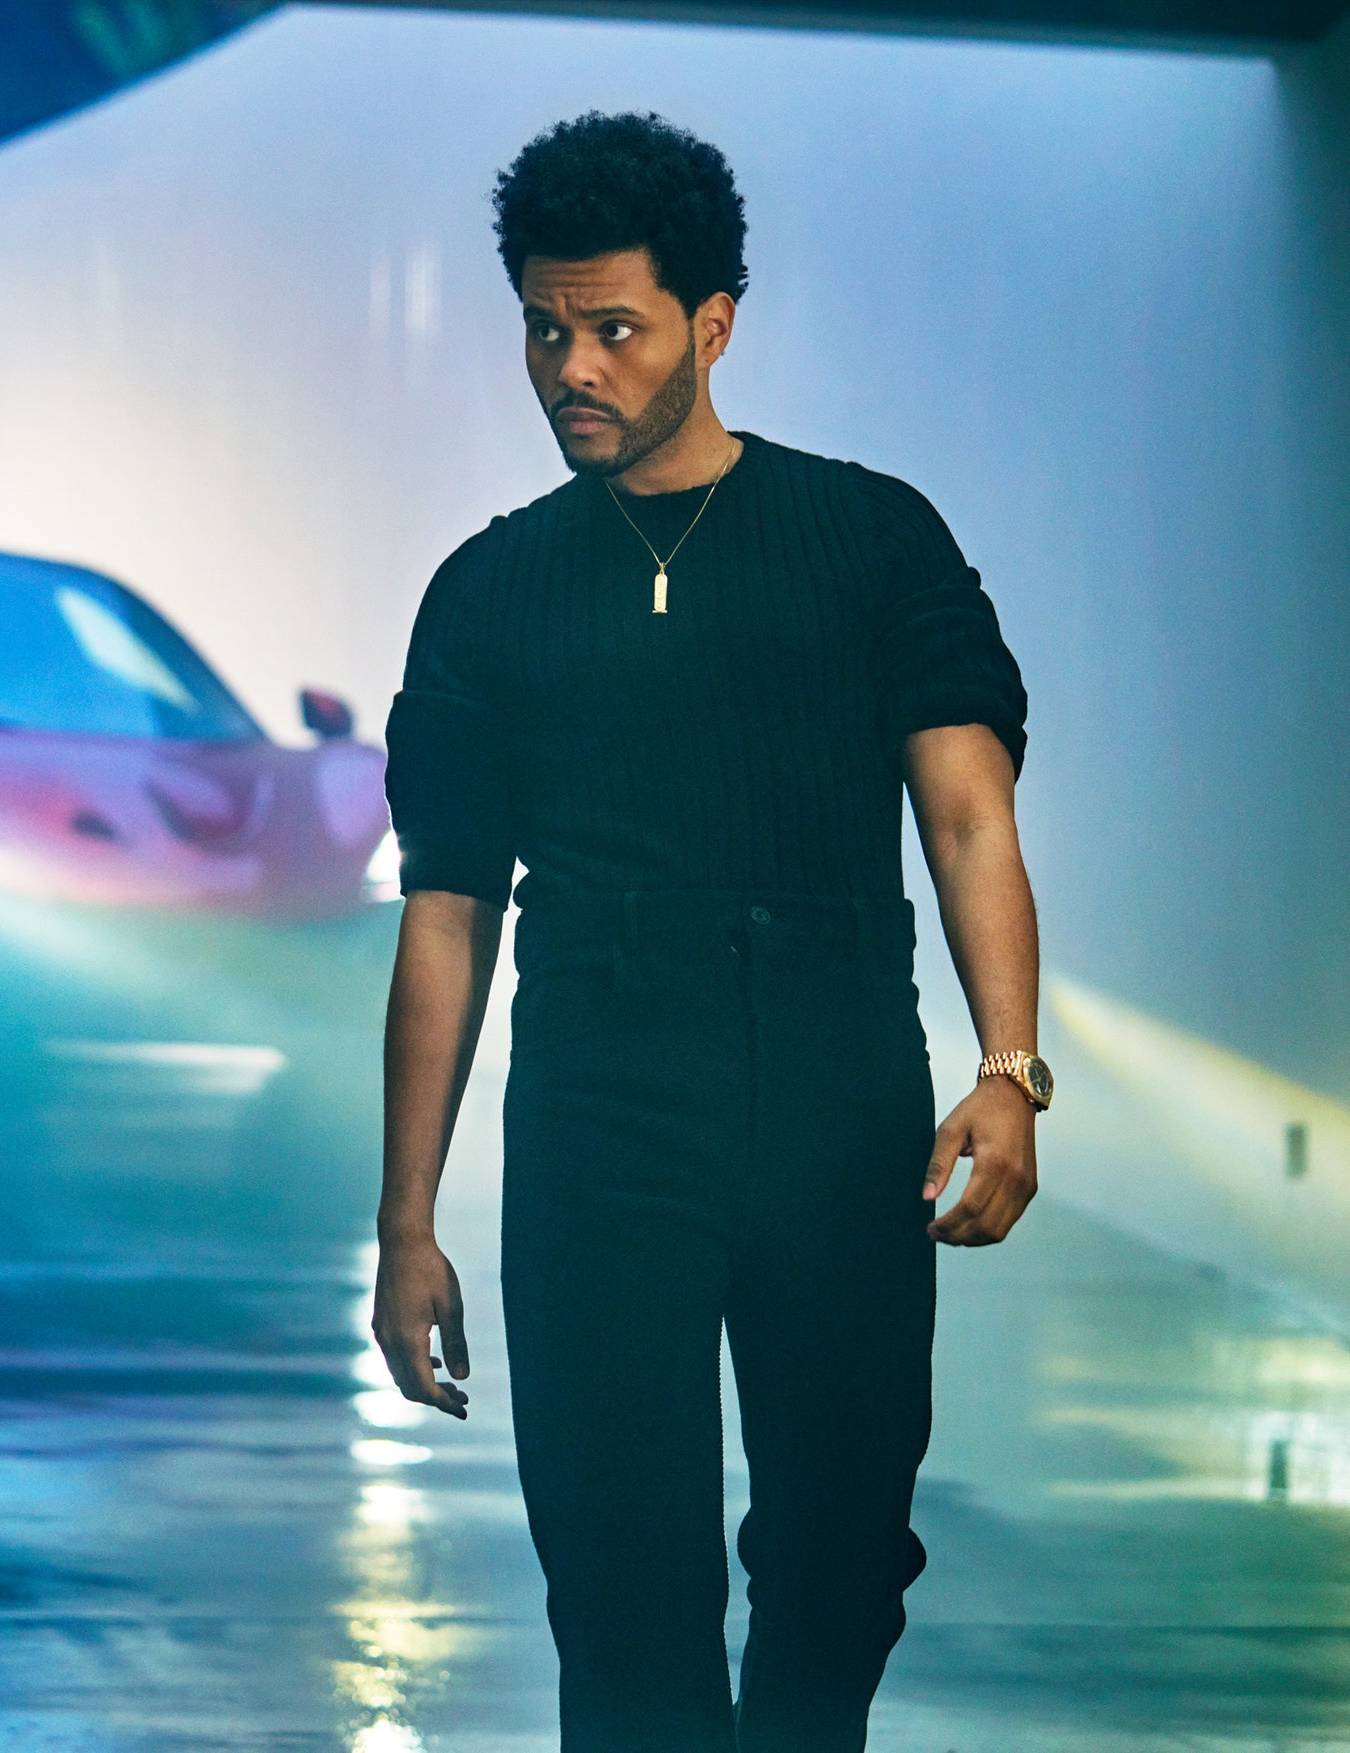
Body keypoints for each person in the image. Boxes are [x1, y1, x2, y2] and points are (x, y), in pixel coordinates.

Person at [371, 111, 1047, 1752]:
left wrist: (1012, 1069)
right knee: (619, 1590)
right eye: (547, 329)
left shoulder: (869, 538)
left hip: (834, 1091)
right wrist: (404, 1222)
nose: (573, 368)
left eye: (616, 329)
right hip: (604, 1103)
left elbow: (967, 814)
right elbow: (446, 916)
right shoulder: (492, 592)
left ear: (712, 326)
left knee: (838, 1561)